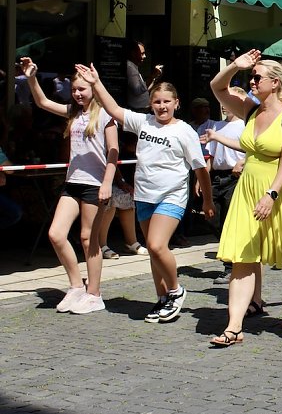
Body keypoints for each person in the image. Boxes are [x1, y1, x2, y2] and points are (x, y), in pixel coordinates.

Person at [75, 63, 215, 323]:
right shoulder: (144, 122)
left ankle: (176, 290)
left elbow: (200, 169)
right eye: (157, 101)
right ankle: (162, 298)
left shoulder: (184, 131)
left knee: (156, 244)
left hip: (171, 196)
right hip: (144, 196)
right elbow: (114, 110)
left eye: (167, 102)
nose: (162, 106)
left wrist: (207, 199)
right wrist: (95, 83)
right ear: (151, 103)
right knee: (153, 252)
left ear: (177, 103)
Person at [207, 52, 282, 346]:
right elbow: (217, 88)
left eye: (256, 77)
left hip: (280, 191)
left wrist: (271, 194)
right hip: (247, 189)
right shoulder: (250, 109)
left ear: (275, 83)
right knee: (243, 255)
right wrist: (234, 67)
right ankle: (234, 327)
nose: (251, 82)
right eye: (250, 77)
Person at [22, 57, 118, 315]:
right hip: (72, 182)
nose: (77, 93)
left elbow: (113, 151)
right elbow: (42, 102)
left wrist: (108, 182)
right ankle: (76, 285)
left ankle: (95, 293)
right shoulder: (74, 113)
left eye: (82, 89)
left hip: (95, 184)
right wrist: (31, 77)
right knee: (56, 233)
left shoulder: (107, 115)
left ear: (93, 89)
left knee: (89, 239)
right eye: (74, 89)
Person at [203, 87, 247, 286]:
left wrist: (243, 162)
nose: (224, 106)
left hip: (235, 177)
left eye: (229, 101)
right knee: (213, 218)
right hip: (217, 177)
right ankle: (231, 258)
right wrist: (202, 178)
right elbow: (211, 155)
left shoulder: (245, 125)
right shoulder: (217, 126)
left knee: (231, 220)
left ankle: (231, 266)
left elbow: (252, 149)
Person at [126, 41, 162, 113]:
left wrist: (155, 78)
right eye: (142, 53)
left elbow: (144, 89)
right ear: (133, 53)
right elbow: (138, 90)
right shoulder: (130, 68)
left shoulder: (134, 67)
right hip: (138, 110)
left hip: (143, 109)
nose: (145, 56)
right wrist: (152, 76)